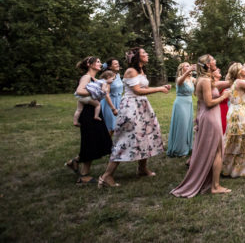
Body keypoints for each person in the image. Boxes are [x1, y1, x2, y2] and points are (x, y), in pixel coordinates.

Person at [98, 47, 171, 188]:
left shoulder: (141, 71)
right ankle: (106, 176)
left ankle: (142, 168)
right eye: (144, 53)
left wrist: (161, 87)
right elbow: (137, 91)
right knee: (125, 140)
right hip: (131, 108)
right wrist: (160, 89)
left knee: (146, 135)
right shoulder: (130, 71)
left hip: (142, 107)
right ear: (137, 57)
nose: (147, 54)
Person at [171, 54, 232, 197]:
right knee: (217, 151)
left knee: (214, 150)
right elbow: (209, 103)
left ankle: (211, 182)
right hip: (211, 117)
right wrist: (223, 97)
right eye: (213, 60)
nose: (216, 61)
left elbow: (202, 102)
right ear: (208, 64)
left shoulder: (206, 79)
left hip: (209, 116)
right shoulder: (204, 80)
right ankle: (215, 186)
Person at [65, 56, 112, 184]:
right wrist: (95, 91)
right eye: (97, 61)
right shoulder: (86, 77)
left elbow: (103, 92)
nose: (100, 63)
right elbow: (79, 91)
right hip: (88, 112)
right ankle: (83, 176)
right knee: (90, 141)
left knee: (96, 140)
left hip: (95, 111)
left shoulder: (96, 79)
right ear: (89, 64)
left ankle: (74, 162)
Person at [166, 62, 197, 157]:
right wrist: (189, 70)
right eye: (186, 66)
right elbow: (180, 82)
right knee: (182, 125)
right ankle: (180, 150)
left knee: (188, 125)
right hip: (180, 103)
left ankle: (187, 147)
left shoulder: (192, 79)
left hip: (189, 103)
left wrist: (199, 70)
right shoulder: (180, 78)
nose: (189, 67)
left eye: (189, 65)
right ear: (182, 69)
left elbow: (201, 82)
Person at [100, 58, 124, 135]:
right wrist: (113, 108)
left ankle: (109, 145)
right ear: (110, 67)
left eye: (118, 63)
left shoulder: (118, 75)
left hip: (118, 101)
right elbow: (106, 94)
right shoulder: (108, 76)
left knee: (116, 127)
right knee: (110, 127)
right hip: (109, 103)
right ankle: (105, 145)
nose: (118, 65)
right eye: (115, 64)